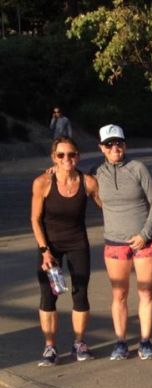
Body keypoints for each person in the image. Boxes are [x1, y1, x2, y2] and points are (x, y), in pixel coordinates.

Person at [92, 125, 152, 360]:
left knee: (145, 293)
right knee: (119, 294)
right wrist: (51, 172)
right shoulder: (96, 173)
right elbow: (70, 177)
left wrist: (144, 233)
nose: (115, 148)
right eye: (109, 144)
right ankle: (121, 342)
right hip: (115, 243)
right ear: (101, 147)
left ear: (125, 145)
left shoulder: (137, 168)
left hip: (145, 241)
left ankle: (145, 341)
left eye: (119, 143)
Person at [30, 137, 102, 366]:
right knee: (48, 295)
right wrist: (44, 251)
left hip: (78, 243)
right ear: (54, 158)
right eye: (61, 155)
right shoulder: (43, 182)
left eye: (71, 154)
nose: (66, 159)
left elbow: (108, 206)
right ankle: (50, 347)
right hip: (49, 246)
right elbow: (35, 219)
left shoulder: (88, 182)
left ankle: (79, 343)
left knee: (80, 293)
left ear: (78, 156)